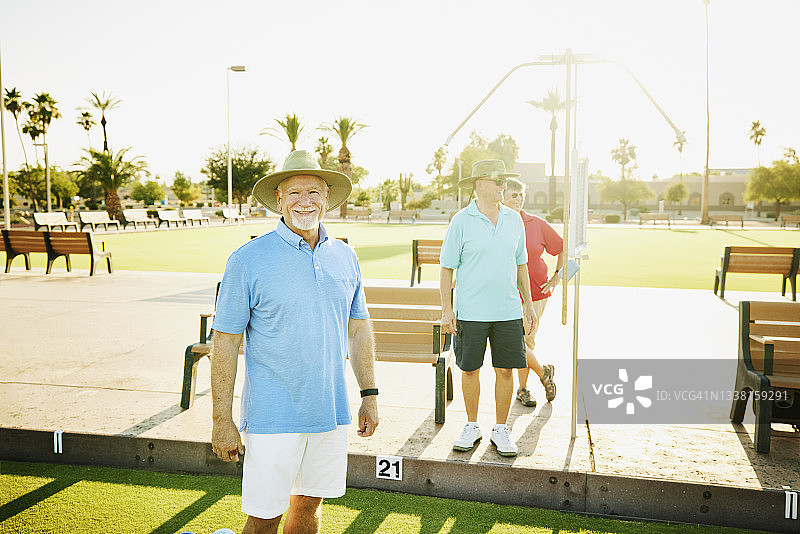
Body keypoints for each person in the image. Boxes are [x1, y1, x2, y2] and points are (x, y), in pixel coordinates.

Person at [210, 149, 378, 534]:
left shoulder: (346, 257)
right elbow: (224, 341)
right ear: (280, 200)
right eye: (296, 193)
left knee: (308, 508)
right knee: (264, 519)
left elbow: (358, 329)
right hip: (273, 417)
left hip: (329, 414)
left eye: (315, 193)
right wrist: (222, 420)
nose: (306, 201)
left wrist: (370, 393)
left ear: (327, 199)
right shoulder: (248, 259)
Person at [439, 159, 535, 457]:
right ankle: (471, 426)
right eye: (498, 181)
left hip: (508, 311)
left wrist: (528, 305)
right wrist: (446, 310)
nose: (503, 186)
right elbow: (446, 268)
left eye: (504, 181)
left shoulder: (514, 219)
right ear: (480, 185)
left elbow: (521, 265)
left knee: (505, 370)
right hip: (470, 312)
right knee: (470, 370)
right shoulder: (461, 221)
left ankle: (502, 429)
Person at [501, 178, 561, 409]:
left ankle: (523, 389)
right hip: (504, 293)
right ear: (502, 196)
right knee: (515, 341)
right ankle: (543, 371)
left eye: (520, 195)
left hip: (535, 293)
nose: (518, 199)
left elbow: (561, 247)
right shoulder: (496, 222)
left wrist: (557, 276)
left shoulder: (536, 223)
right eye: (513, 195)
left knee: (526, 341)